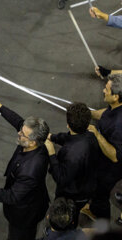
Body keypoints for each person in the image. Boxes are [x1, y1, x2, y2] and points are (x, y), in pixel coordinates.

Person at [0, 97, 50, 240]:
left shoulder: (31, 170)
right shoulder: (36, 143)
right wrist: (0, 108)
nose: (19, 133)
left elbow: (12, 196)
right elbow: (19, 122)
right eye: (21, 131)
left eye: (22, 134)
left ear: (33, 142)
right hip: (33, 198)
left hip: (24, 215)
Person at [44, 103, 99, 227]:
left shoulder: (73, 154)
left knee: (69, 216)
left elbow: (61, 178)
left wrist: (52, 154)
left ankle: (69, 227)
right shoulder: (90, 136)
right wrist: (52, 137)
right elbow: (68, 138)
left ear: (68, 125)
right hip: (87, 184)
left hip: (74, 194)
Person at [81, 74, 122, 220]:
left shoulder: (119, 125)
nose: (103, 91)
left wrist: (97, 134)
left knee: (100, 193)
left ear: (116, 96)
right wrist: (87, 113)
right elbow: (105, 113)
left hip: (111, 168)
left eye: (106, 89)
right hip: (105, 161)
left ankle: (101, 219)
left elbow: (115, 156)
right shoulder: (116, 107)